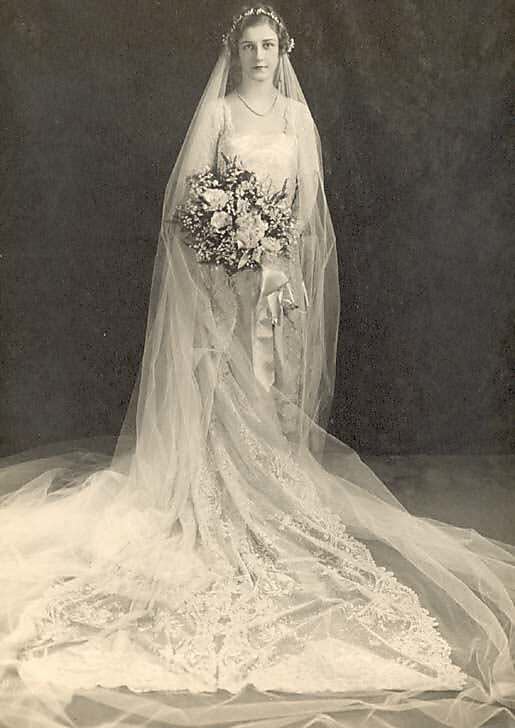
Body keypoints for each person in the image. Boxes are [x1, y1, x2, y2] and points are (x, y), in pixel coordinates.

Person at [0, 5, 514, 728]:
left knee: (269, 385)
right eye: (249, 46)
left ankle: (264, 483)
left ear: (285, 51)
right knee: (219, 384)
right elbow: (191, 200)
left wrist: (280, 263)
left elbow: (304, 208)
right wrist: (226, 249)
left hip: (275, 279)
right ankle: (210, 485)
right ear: (233, 52)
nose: (261, 57)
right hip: (221, 276)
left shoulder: (297, 122)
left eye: (270, 46)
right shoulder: (217, 114)